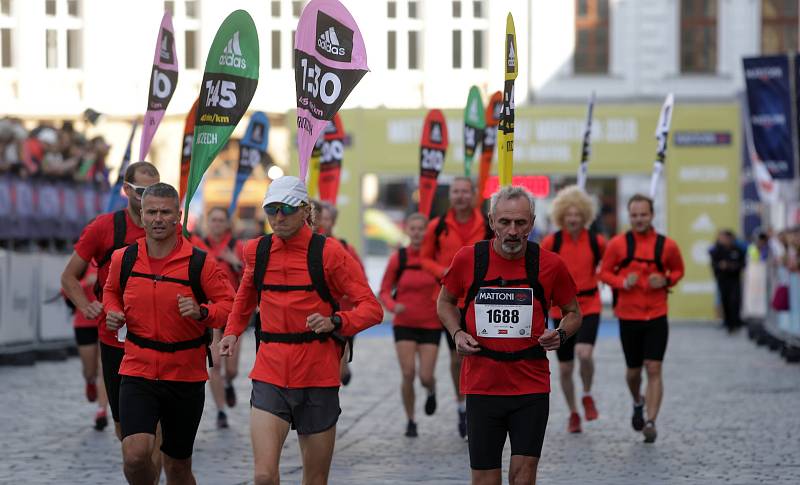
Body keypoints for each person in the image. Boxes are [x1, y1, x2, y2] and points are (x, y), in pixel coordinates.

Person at [219, 176, 383, 485]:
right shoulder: (257, 250)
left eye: (287, 209)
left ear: (305, 210)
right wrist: (231, 332)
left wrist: (336, 322)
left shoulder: (330, 253)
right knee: (264, 476)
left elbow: (372, 309)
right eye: (272, 209)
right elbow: (245, 295)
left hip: (317, 373)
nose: (278, 217)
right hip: (270, 370)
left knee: (315, 480)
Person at [437, 185, 581, 485]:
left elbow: (573, 312)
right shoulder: (469, 259)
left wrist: (561, 334)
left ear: (532, 222)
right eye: (504, 222)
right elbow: (445, 302)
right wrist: (457, 332)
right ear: (492, 222)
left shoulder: (550, 264)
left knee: (523, 477)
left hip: (530, 386)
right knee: (485, 480)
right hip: (481, 386)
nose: (512, 231)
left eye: (520, 223)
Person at [103, 183, 234, 485]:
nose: (158, 218)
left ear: (178, 216)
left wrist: (203, 312)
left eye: (165, 212)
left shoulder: (200, 262)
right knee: (135, 455)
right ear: (142, 214)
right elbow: (111, 290)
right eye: (152, 212)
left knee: (177, 467)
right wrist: (113, 311)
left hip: (184, 375)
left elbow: (230, 304)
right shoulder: (123, 259)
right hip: (138, 369)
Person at [61, 161, 160, 442]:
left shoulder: (167, 226)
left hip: (160, 337)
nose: (148, 197)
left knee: (157, 424)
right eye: (142, 191)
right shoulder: (104, 227)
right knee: (124, 428)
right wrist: (85, 305)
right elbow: (69, 277)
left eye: (154, 190)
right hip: (114, 335)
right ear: (126, 190)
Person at [599, 194, 684, 443]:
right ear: (629, 216)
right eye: (634, 215)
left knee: (654, 367)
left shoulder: (666, 245)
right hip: (629, 315)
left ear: (652, 215)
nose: (639, 219)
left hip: (657, 313)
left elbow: (678, 269)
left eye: (643, 215)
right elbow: (603, 273)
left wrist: (666, 280)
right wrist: (622, 282)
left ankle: (651, 421)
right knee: (633, 372)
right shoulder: (618, 244)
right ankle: (638, 400)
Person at [420, 176, 492, 439]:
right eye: (456, 191)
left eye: (465, 191)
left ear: (473, 195)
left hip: (482, 300)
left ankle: (480, 403)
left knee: (481, 356)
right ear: (450, 195)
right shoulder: (437, 226)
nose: (460, 196)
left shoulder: (487, 224)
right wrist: (444, 272)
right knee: (457, 357)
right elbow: (424, 258)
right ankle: (462, 405)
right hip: (449, 302)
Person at [540, 185, 606, 434]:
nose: (574, 219)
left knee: (585, 354)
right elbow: (543, 272)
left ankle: (587, 394)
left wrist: (604, 276)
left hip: (589, 305)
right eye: (569, 214)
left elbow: (609, 266)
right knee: (565, 368)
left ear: (585, 216)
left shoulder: (596, 241)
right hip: (561, 310)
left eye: (578, 214)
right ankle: (573, 412)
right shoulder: (552, 241)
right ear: (561, 216)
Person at [379, 213, 441, 438]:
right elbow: (384, 289)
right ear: (407, 231)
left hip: (431, 323)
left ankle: (431, 390)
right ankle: (411, 420)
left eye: (421, 229)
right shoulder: (399, 258)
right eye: (413, 229)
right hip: (404, 323)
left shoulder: (435, 258)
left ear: (427, 232)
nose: (417, 233)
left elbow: (447, 286)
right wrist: (392, 305)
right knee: (408, 373)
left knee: (425, 375)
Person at [193, 207, 246, 428]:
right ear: (208, 222)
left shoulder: (237, 246)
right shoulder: (199, 243)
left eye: (220, 220)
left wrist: (234, 261)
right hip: (211, 313)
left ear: (227, 224)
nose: (216, 224)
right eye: (213, 220)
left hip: (234, 314)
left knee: (231, 369)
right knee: (214, 365)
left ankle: (229, 383)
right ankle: (221, 411)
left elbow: (250, 279)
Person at [317, 200, 366, 386]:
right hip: (319, 312)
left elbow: (360, 277)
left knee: (338, 364)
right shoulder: (311, 246)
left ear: (333, 222)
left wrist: (346, 290)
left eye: (328, 219)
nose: (324, 222)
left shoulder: (344, 247)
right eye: (321, 218)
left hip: (343, 314)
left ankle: (339, 375)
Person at [70, 266, 109, 431]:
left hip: (106, 321)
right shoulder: (81, 261)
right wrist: (86, 283)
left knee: (104, 368)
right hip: (84, 322)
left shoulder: (113, 256)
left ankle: (102, 410)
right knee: (90, 370)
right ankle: (89, 380)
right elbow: (66, 289)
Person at [709, 230, 746, 333]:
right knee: (724, 300)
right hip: (722, 279)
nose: (724, 240)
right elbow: (714, 263)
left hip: (734, 279)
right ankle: (728, 322)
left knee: (735, 300)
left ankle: (735, 322)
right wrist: (721, 266)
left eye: (726, 238)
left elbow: (743, 263)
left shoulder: (738, 250)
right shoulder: (716, 250)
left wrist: (732, 266)